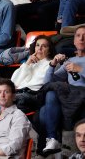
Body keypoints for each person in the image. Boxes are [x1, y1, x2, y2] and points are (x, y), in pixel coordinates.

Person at [39, 26, 85, 154]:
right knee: (51, 93)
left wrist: (80, 70)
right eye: (78, 36)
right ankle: (52, 139)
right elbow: (49, 82)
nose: (82, 38)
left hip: (82, 96)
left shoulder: (75, 64)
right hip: (71, 97)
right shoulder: (70, 61)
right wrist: (52, 65)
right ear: (74, 41)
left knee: (44, 113)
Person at [11, 35, 56, 111]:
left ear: (49, 51)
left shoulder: (50, 64)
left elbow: (40, 83)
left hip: (34, 95)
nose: (39, 48)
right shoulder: (29, 63)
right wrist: (27, 64)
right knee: (0, 106)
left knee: (16, 100)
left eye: (44, 46)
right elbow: (14, 82)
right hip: (19, 94)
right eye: (37, 45)